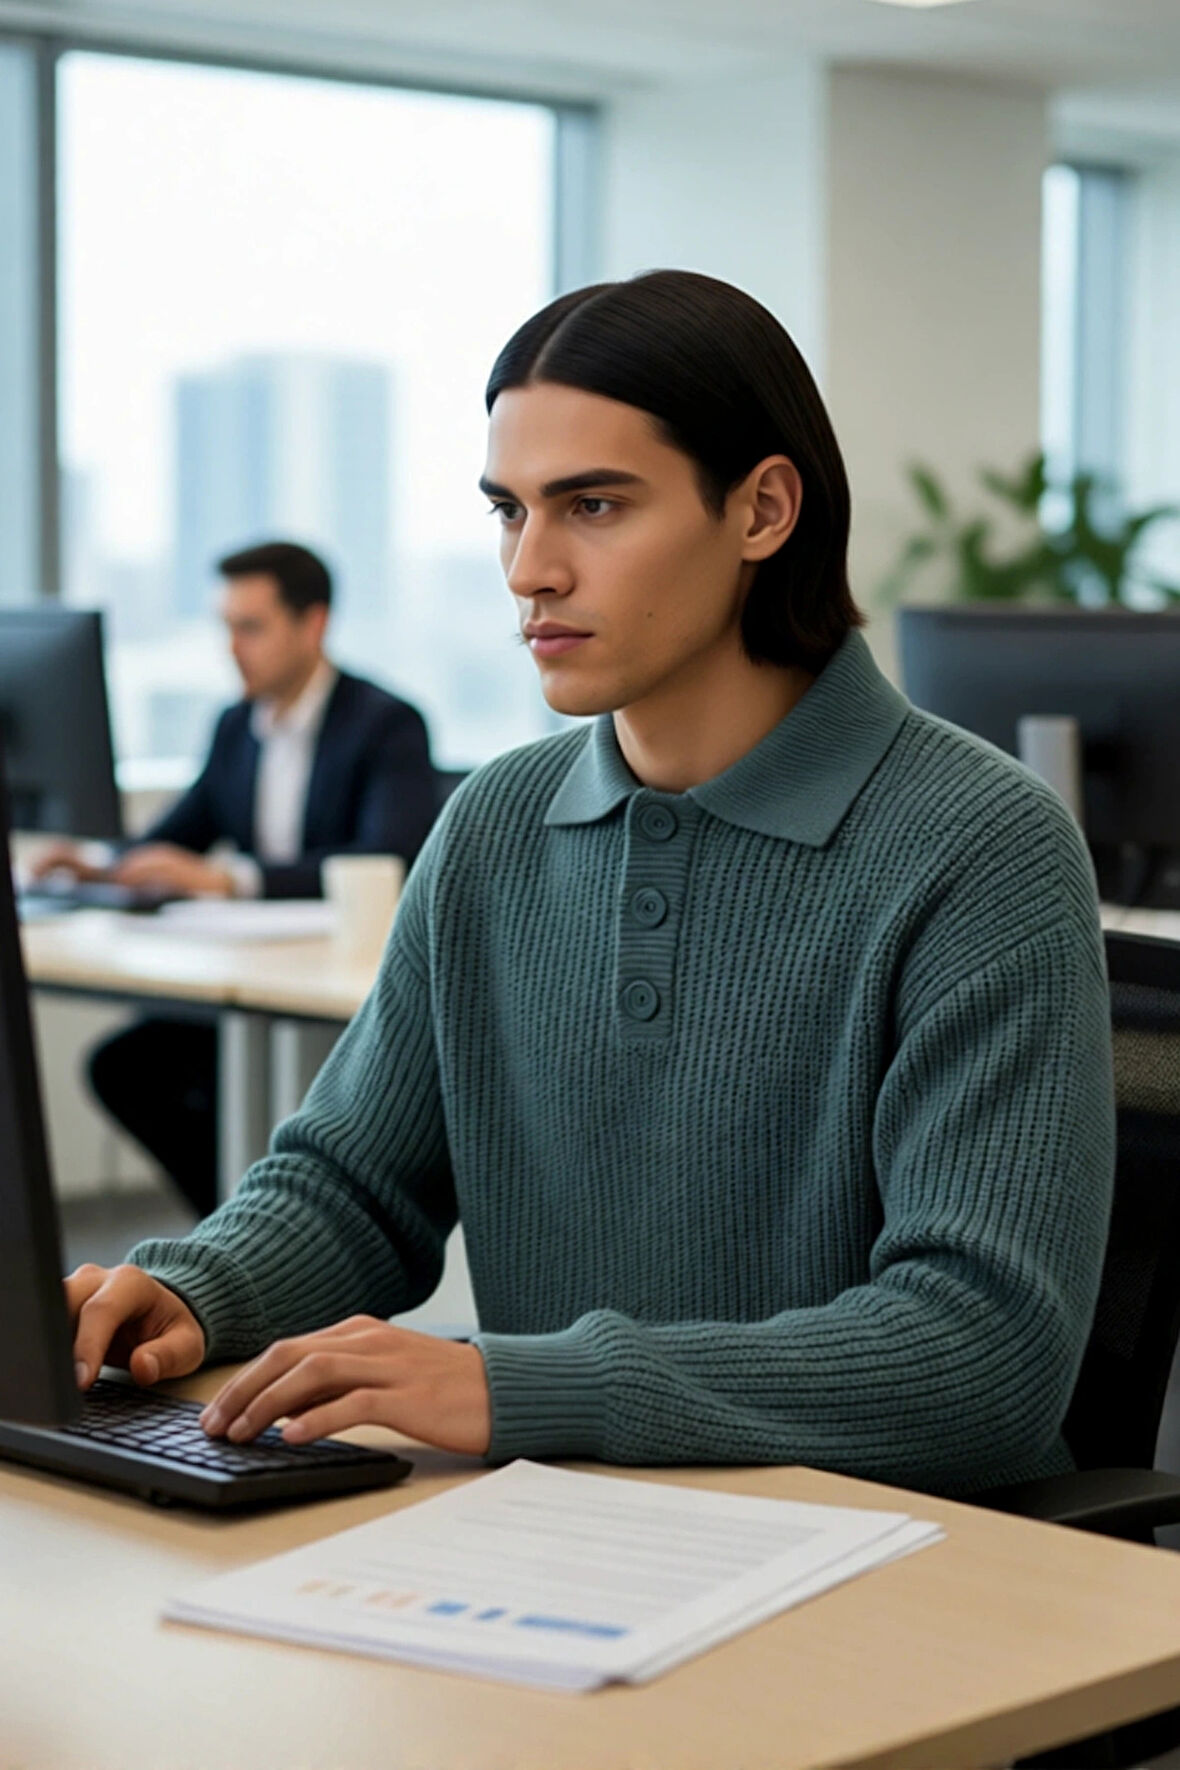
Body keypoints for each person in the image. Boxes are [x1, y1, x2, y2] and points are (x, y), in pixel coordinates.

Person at [64, 272, 1115, 1497]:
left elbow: (981, 1354)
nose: (529, 570)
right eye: (509, 510)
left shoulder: (982, 846)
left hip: (892, 1562)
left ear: (763, 509)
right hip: (565, 1539)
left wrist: (520, 1386)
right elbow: (355, 1183)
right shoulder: (499, 823)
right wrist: (201, 1285)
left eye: (594, 506)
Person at [41, 539, 437, 1219]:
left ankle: (264, 1230)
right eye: (224, 627)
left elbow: (389, 854)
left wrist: (233, 880)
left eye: (250, 627)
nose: (231, 648)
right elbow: (179, 832)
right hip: (257, 973)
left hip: (335, 986)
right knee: (128, 1067)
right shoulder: (235, 726)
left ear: (312, 624)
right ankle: (233, 1224)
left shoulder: (384, 724)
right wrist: (100, 863)